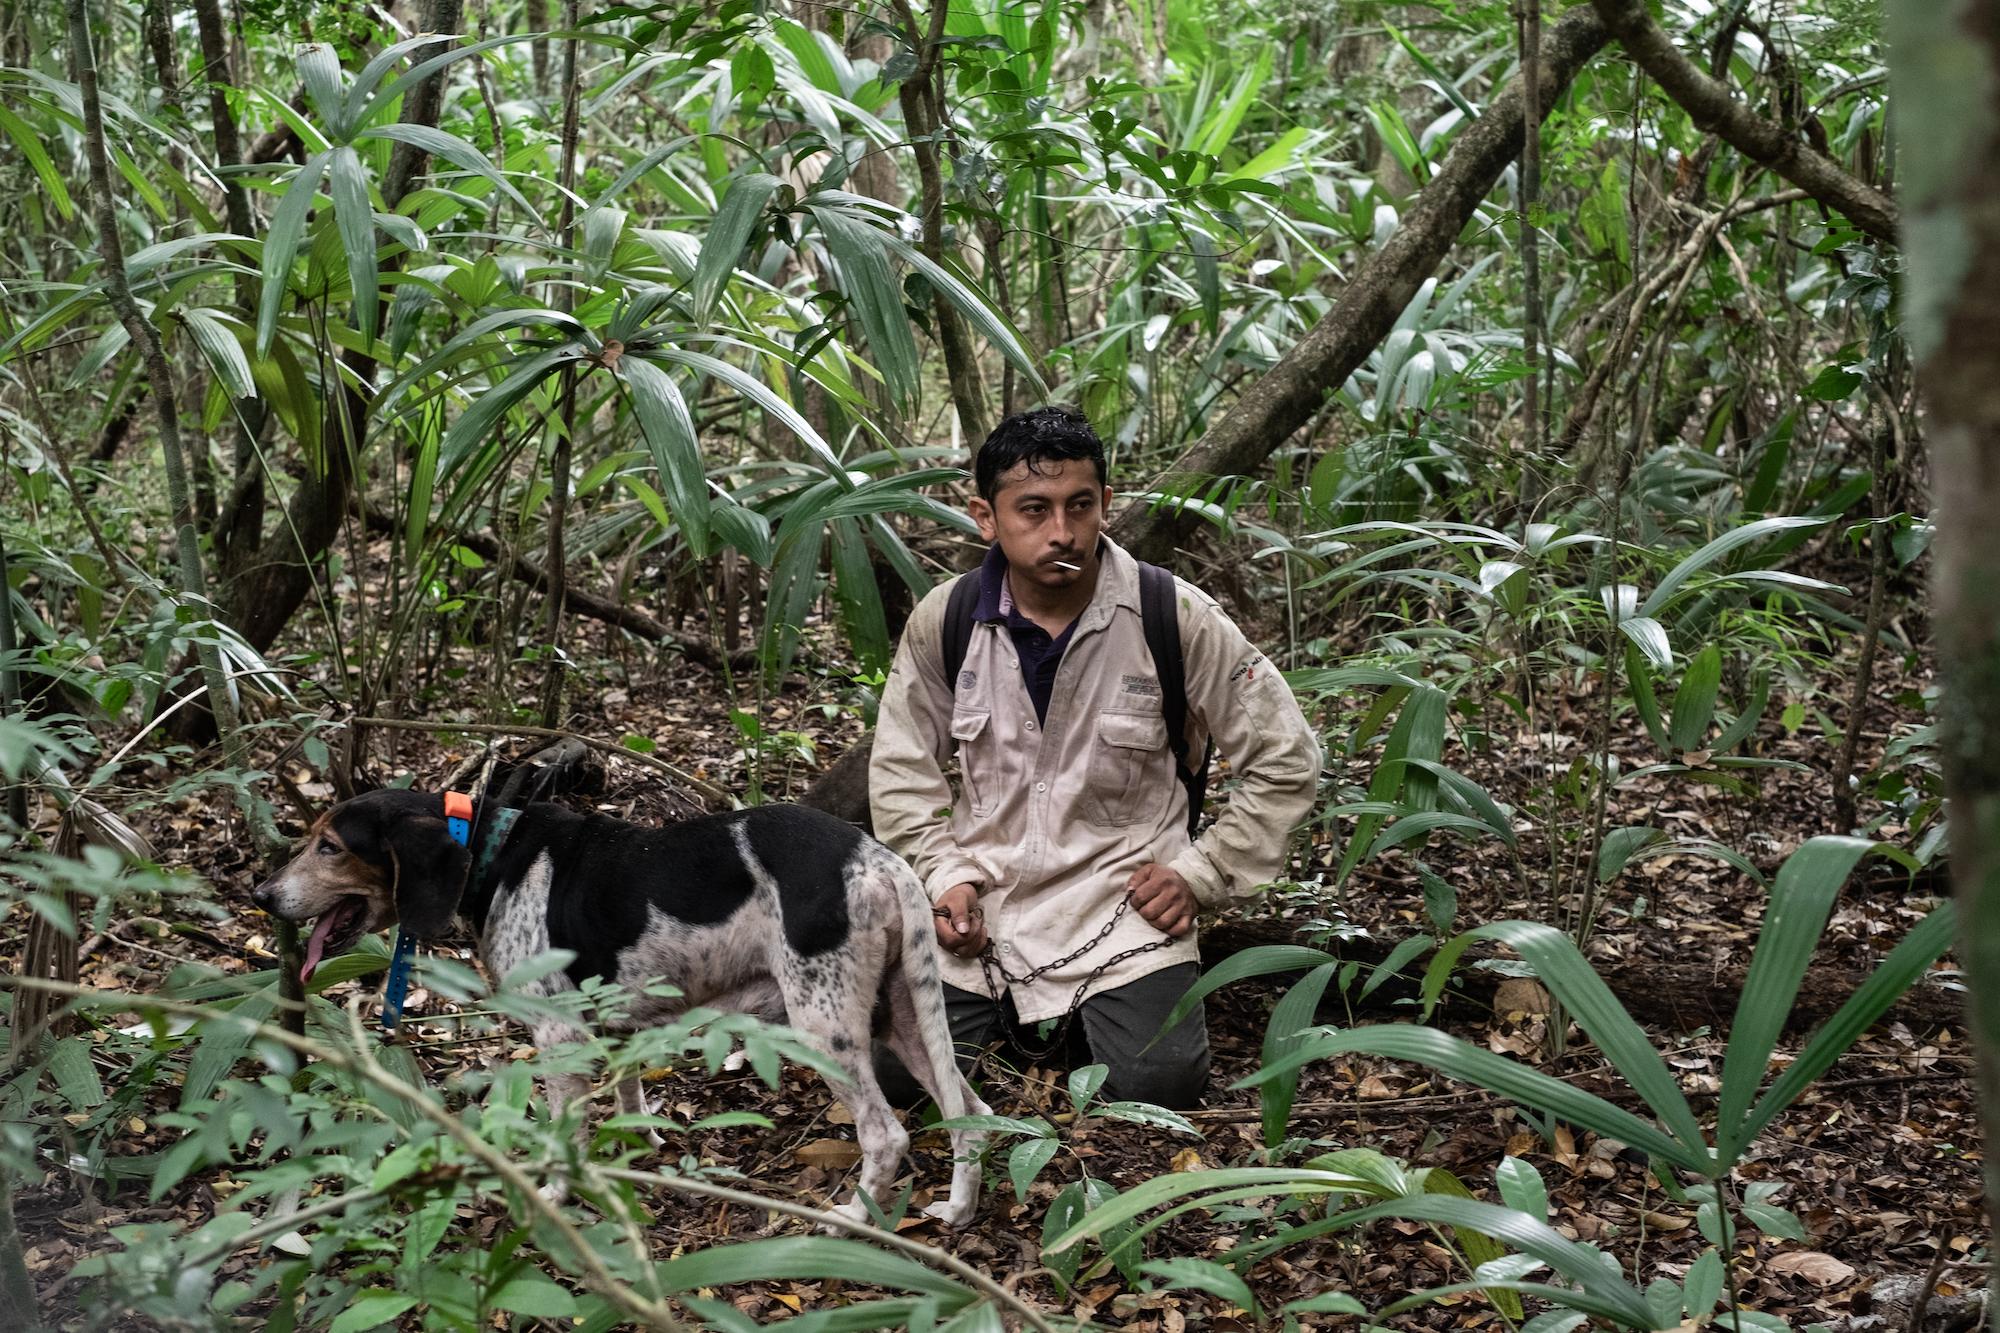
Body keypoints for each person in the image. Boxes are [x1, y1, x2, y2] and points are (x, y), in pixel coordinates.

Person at [869, 405, 1323, 1108]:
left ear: (1105, 503)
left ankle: (1083, 1019)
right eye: (1034, 509)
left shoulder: (1174, 616)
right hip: (984, 903)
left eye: (1079, 505)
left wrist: (1201, 873)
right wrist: (943, 876)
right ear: (986, 517)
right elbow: (901, 770)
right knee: (898, 1075)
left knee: (1159, 1086)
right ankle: (1036, 1021)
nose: (1062, 531)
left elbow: (1285, 756)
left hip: (1124, 906)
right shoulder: (947, 619)